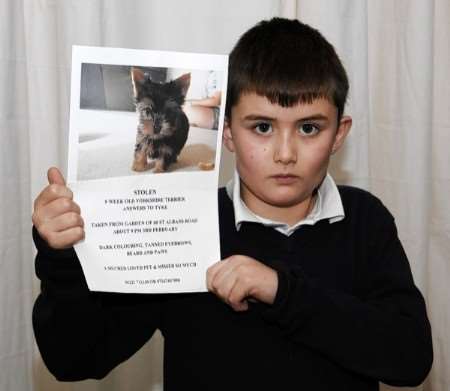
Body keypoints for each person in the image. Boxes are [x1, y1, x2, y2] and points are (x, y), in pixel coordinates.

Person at [32, 18, 433, 390]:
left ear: (339, 134)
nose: (285, 153)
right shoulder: (183, 222)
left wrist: (281, 291)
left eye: (309, 128)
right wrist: (63, 259)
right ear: (226, 132)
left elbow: (410, 358)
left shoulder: (364, 219)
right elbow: (75, 358)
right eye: (262, 127)